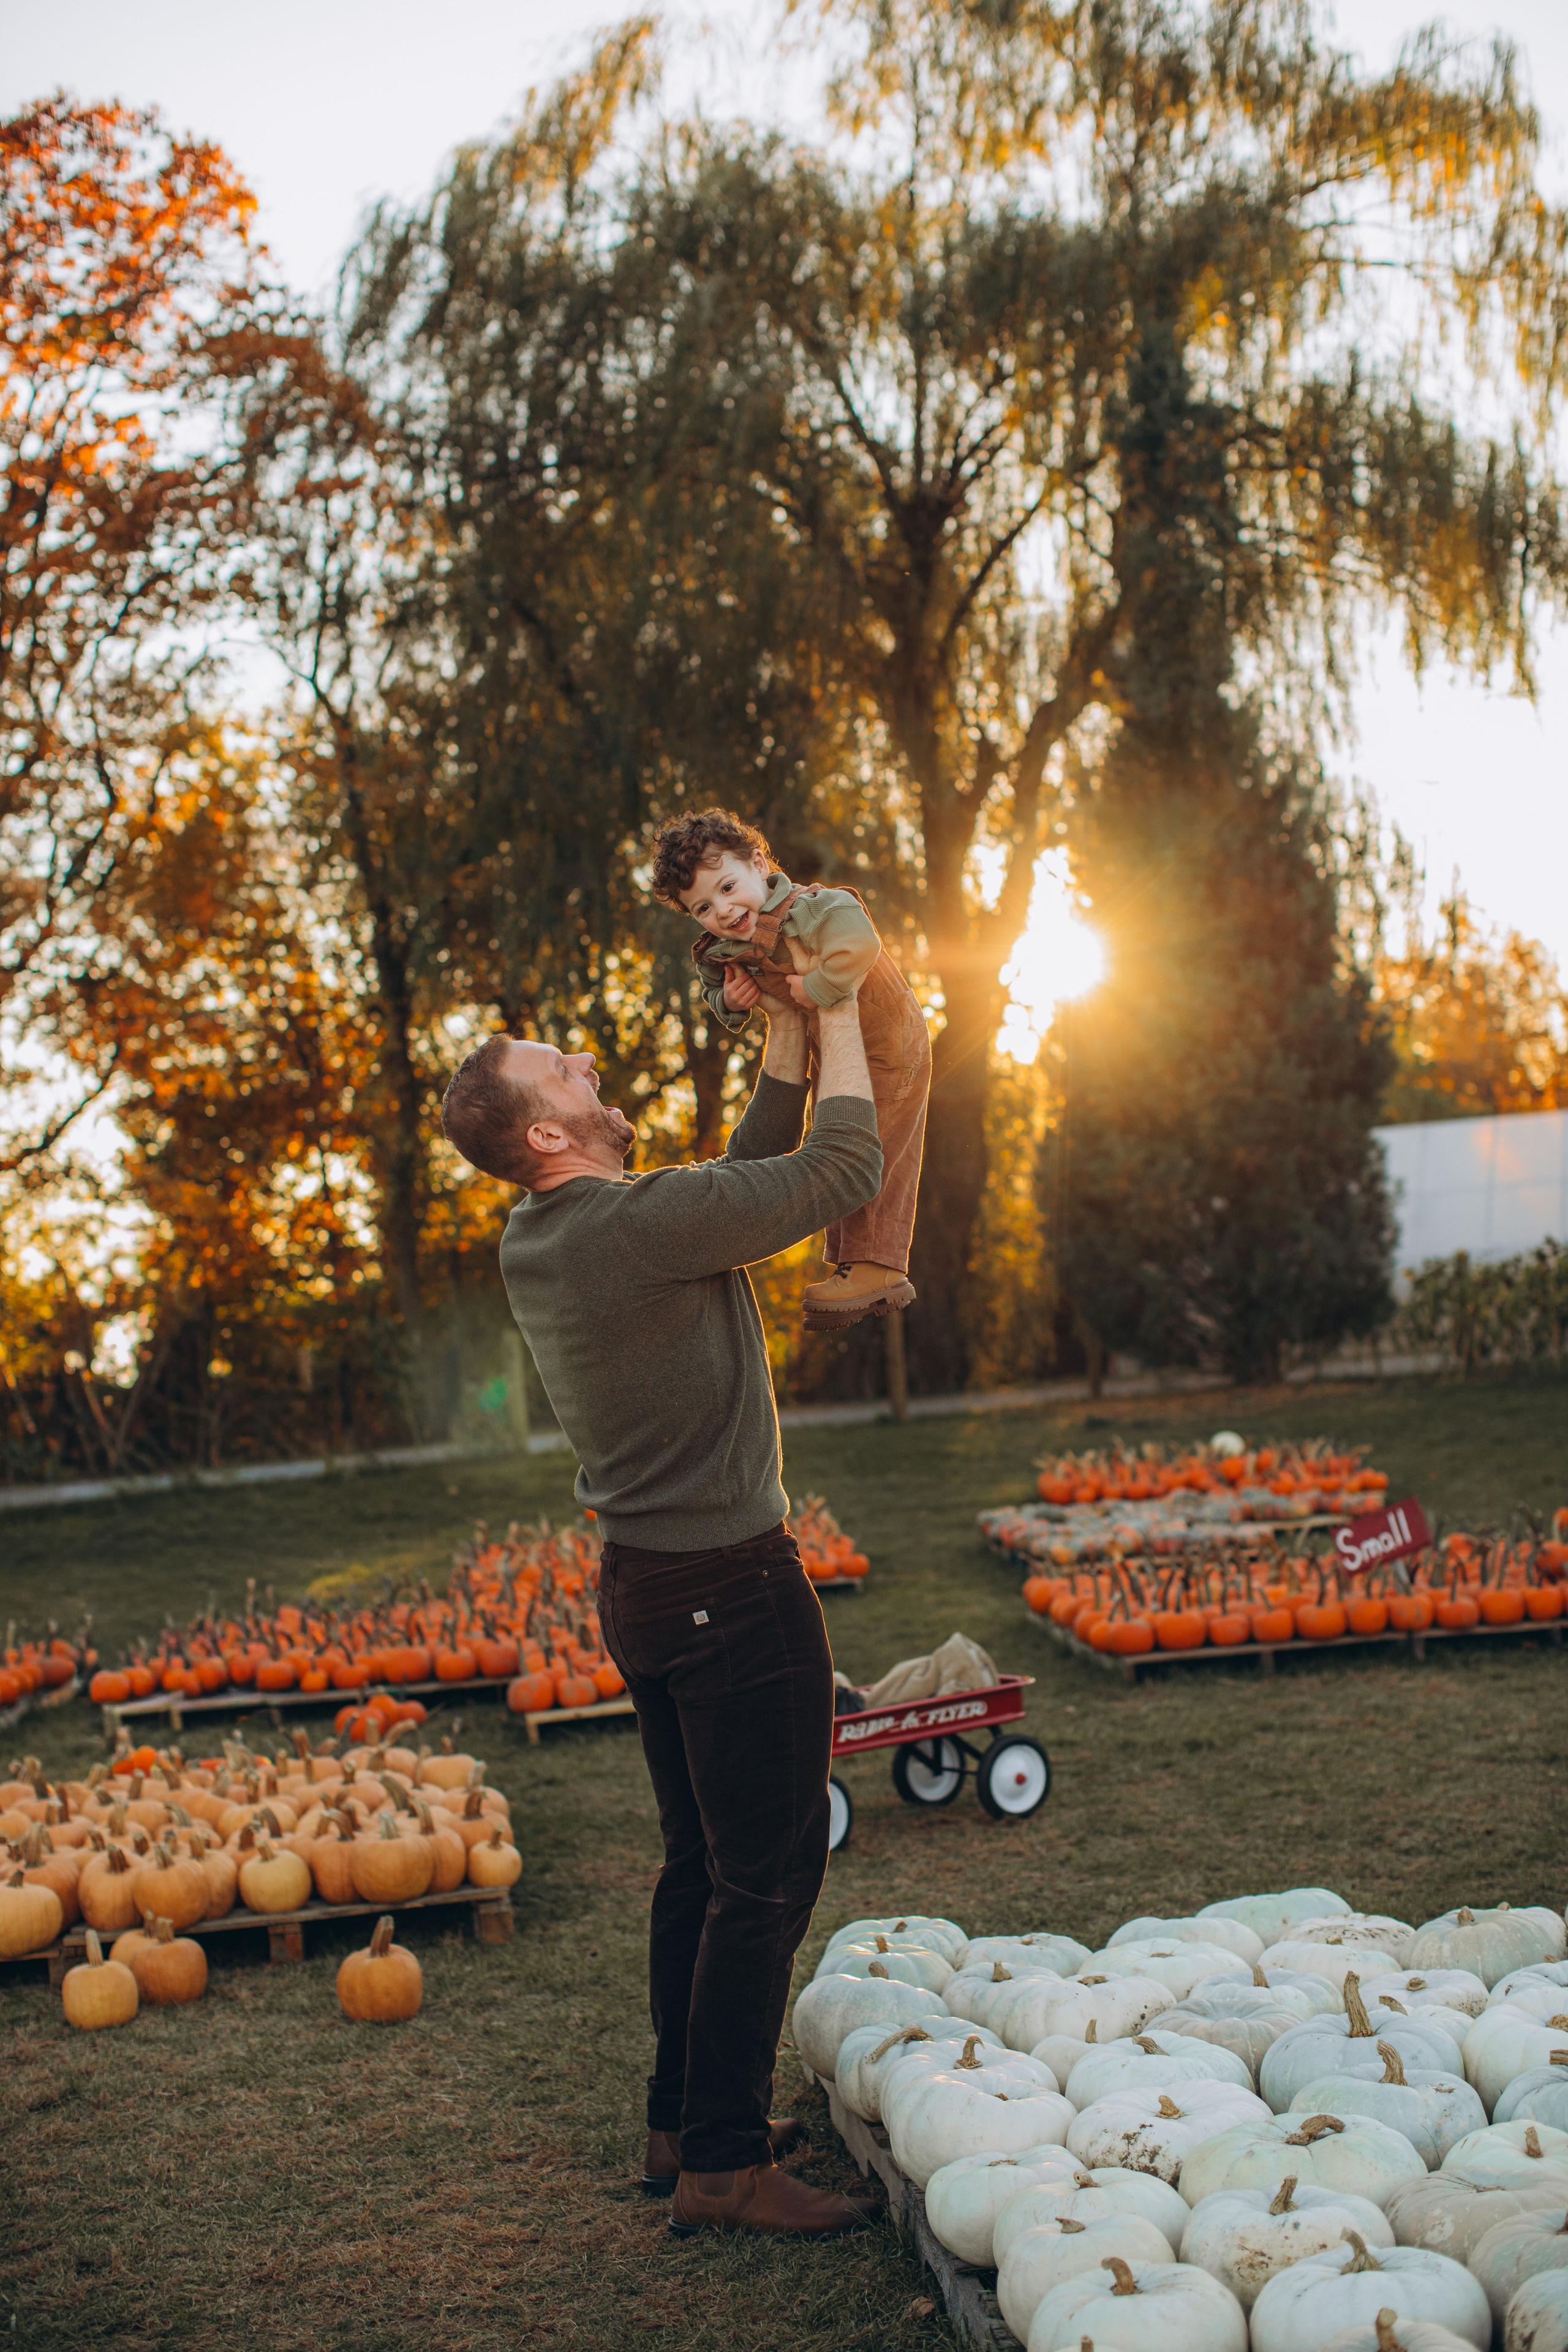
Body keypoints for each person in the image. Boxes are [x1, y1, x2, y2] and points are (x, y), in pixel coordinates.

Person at [440, 993, 883, 2240]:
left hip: (649, 1587)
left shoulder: (556, 1232)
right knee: (768, 1875)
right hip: (731, 1590)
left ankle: (680, 2122)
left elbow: (735, 1188)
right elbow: (843, 1167)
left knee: (702, 1866)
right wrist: (839, 1010)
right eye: (562, 1070)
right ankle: (723, 2168)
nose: (587, 1061)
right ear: (545, 1136)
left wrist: (784, 1051)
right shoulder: (637, 1227)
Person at [649, 807, 932, 1331]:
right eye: (704, 908)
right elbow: (712, 981)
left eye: (730, 887)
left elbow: (861, 944)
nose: (724, 911)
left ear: (760, 864)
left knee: (877, 1144)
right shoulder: (728, 945)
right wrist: (729, 1001)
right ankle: (855, 1264)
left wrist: (821, 988)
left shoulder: (817, 909)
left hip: (891, 1046)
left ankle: (880, 1265)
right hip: (839, 1052)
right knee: (832, 1143)